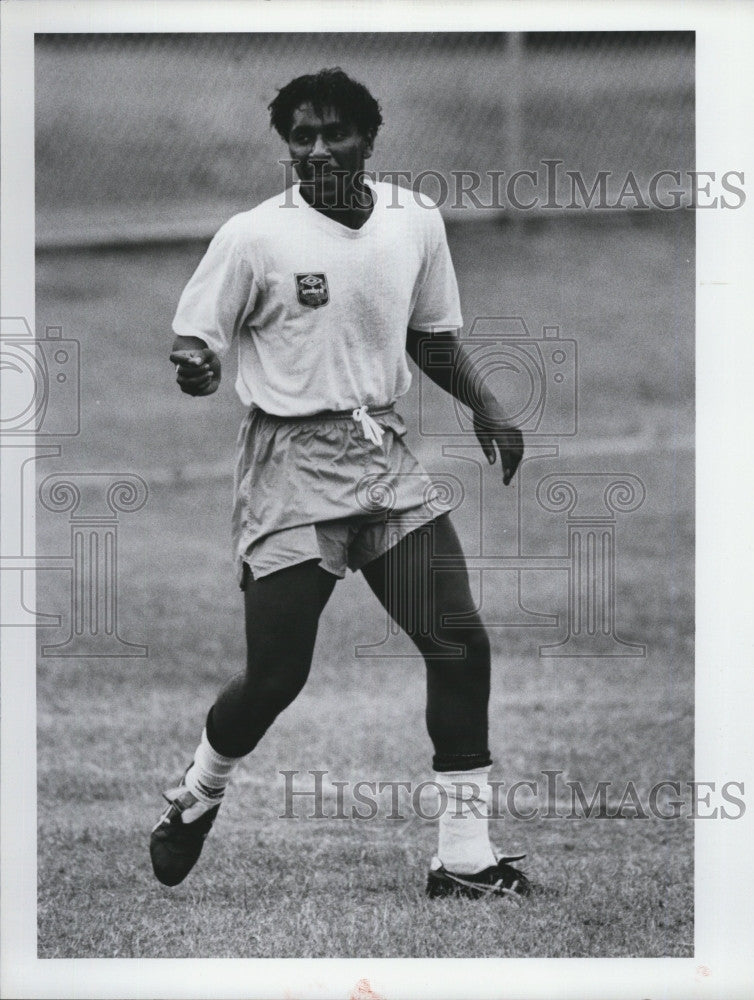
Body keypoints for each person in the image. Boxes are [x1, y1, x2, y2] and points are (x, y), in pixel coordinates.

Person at [150, 68, 527, 899]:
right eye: (300, 137)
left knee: (459, 641)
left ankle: (465, 860)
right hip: (289, 466)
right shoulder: (254, 237)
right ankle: (198, 790)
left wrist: (487, 408)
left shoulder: (413, 220)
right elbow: (197, 338)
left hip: (381, 455)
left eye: (334, 133)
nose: (316, 149)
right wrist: (197, 367)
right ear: (286, 146)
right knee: (278, 677)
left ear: (369, 138)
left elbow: (430, 338)